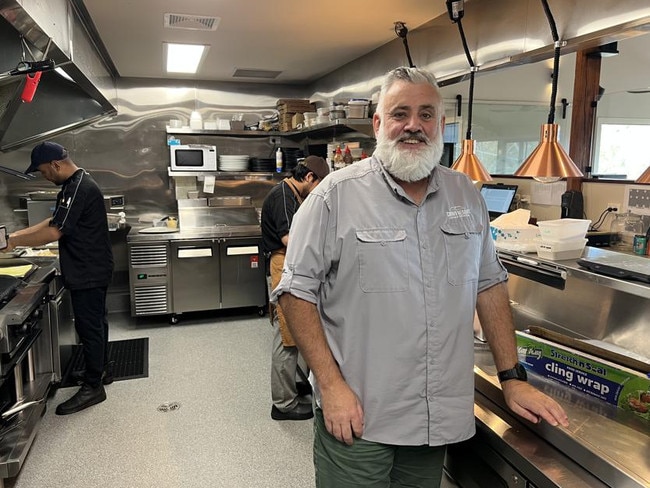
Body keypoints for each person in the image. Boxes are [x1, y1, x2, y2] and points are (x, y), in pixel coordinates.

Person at [272, 67, 570, 486]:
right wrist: (331, 385)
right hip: (360, 416)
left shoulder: (466, 194)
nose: (414, 125)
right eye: (400, 113)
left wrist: (511, 378)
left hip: (434, 420)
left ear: (441, 126)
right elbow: (294, 293)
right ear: (378, 123)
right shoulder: (334, 196)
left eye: (426, 114)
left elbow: (489, 284)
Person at [3, 141, 114, 416]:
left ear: (55, 164)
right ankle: (100, 370)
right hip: (91, 266)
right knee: (96, 322)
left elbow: (55, 233)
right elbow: (55, 221)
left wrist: (15, 242)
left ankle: (93, 387)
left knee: (90, 327)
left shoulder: (79, 187)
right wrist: (15, 238)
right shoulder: (73, 184)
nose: (44, 176)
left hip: (88, 269)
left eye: (43, 172)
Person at [261, 155, 330, 421]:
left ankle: (291, 385)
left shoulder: (291, 193)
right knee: (286, 336)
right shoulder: (284, 196)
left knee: (296, 333)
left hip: (289, 264)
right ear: (309, 177)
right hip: (282, 264)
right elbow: (289, 238)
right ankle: (283, 404)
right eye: (319, 184)